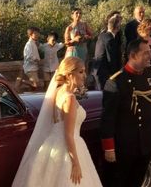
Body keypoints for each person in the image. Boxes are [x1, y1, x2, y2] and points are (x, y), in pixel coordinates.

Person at [12, 57, 102, 186]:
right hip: (69, 147)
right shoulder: (69, 98)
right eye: (81, 72)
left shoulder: (58, 92)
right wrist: (75, 163)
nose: (84, 76)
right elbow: (68, 134)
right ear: (70, 74)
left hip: (53, 144)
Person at [101, 39, 151, 187]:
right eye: (146, 53)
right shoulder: (115, 82)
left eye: (150, 52)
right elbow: (107, 119)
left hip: (146, 143)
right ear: (133, 55)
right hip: (124, 148)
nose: (150, 56)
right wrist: (109, 148)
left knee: (137, 182)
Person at [92, 14, 123, 90]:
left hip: (99, 70)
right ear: (117, 27)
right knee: (103, 96)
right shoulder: (109, 39)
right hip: (103, 72)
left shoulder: (104, 35)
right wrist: (117, 73)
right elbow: (111, 58)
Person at [16, 27, 41, 92]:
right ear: (30, 34)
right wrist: (36, 60)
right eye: (35, 33)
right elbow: (28, 56)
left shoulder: (33, 43)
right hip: (30, 68)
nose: (37, 35)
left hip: (33, 67)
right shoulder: (29, 44)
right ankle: (22, 81)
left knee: (34, 87)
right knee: (36, 85)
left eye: (38, 33)